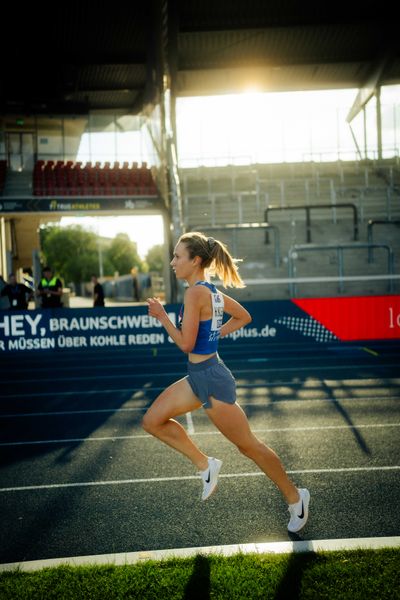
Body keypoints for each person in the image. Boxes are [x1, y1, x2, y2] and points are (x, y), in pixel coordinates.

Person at [144, 231, 310, 533]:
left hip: (211, 379)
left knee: (249, 446)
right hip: (198, 376)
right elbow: (243, 316)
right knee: (152, 420)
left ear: (195, 260)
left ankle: (295, 497)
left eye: (178, 256)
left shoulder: (196, 293)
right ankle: (206, 464)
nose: (172, 262)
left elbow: (185, 344)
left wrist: (161, 317)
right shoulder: (209, 291)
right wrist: (214, 334)